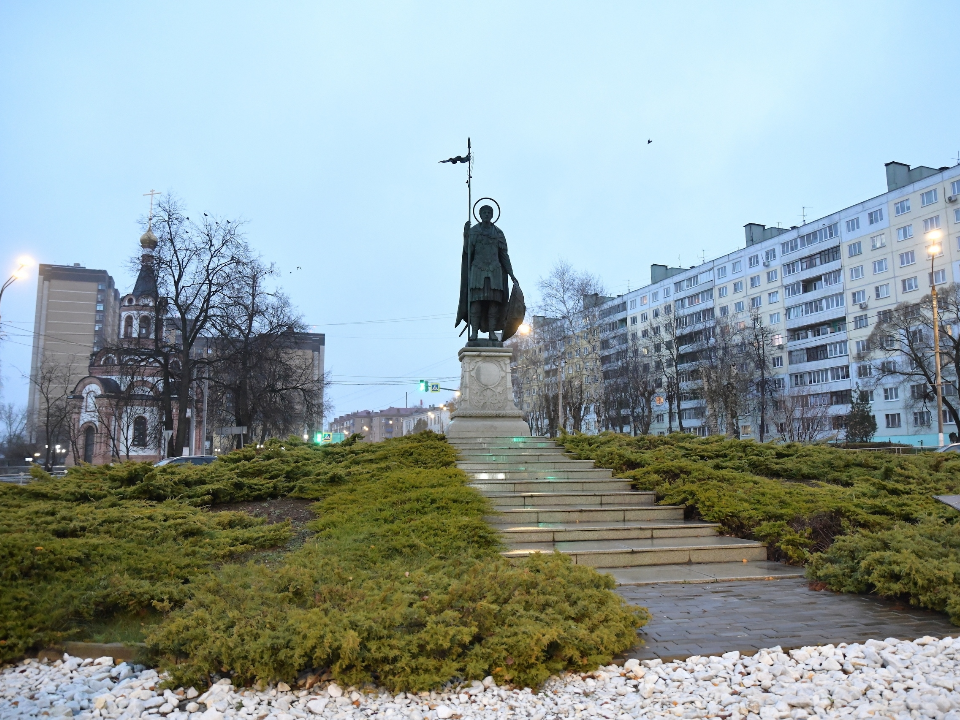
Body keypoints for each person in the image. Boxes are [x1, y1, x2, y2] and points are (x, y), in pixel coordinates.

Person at [456, 205, 519, 342]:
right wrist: (466, 236)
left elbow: (504, 255)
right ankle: (474, 332)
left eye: (488, 212)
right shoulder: (474, 232)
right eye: (483, 212)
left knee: (493, 303)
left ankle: (491, 332)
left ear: (492, 215)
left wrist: (511, 274)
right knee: (476, 302)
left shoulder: (498, 233)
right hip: (477, 270)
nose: (486, 214)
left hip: (495, 271)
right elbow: (468, 252)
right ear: (479, 214)